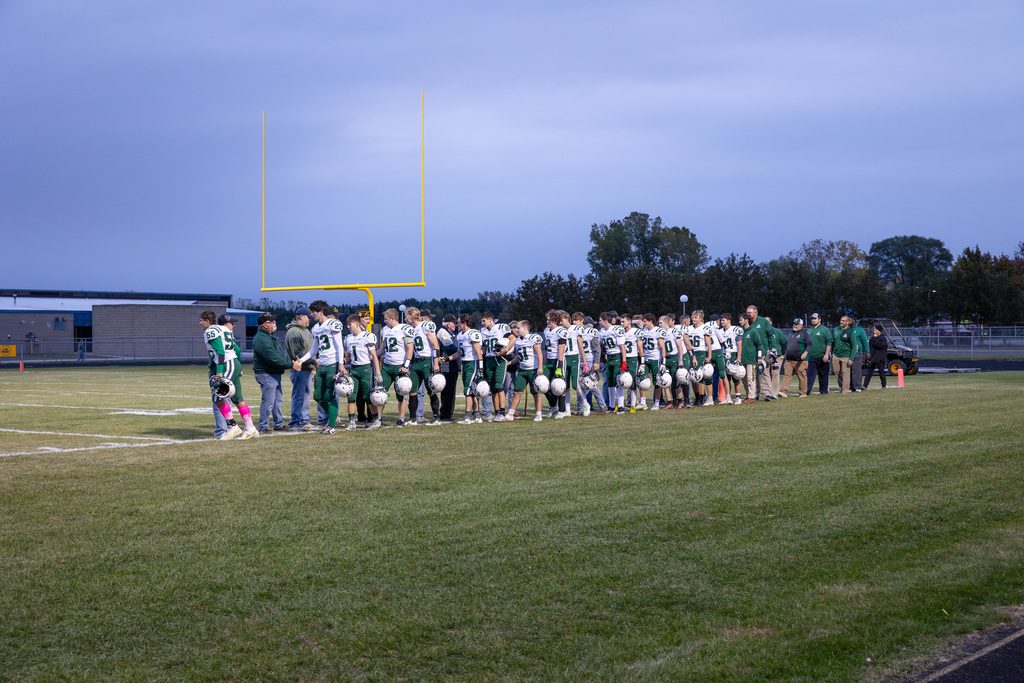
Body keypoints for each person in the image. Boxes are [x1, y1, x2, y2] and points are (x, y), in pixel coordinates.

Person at [200, 311, 258, 439]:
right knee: (237, 398)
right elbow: (236, 349)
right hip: (234, 363)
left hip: (226, 364)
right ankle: (251, 428)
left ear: (208, 321)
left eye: (201, 320)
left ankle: (233, 426)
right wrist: (239, 366)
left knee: (217, 398)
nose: (200, 323)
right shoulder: (224, 330)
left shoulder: (211, 331)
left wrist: (220, 371)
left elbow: (220, 351)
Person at [252, 312, 299, 433]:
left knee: (277, 401)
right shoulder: (261, 339)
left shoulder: (270, 336)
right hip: (266, 373)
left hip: (273, 372)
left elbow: (278, 356)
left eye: (274, 320)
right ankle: (263, 426)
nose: (274, 323)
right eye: (271, 321)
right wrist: (292, 364)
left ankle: (278, 424)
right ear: (264, 325)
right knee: (268, 402)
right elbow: (273, 357)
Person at [342, 313, 382, 430]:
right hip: (353, 369)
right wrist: (342, 363)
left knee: (367, 396)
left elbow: (374, 356)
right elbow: (349, 357)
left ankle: (376, 420)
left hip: (365, 369)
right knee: (351, 396)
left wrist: (378, 373)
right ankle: (352, 422)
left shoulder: (367, 336)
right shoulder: (348, 339)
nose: (348, 327)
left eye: (350, 325)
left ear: (357, 324)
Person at [378, 308, 415, 427]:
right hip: (387, 366)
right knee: (380, 393)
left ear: (393, 319)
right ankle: (378, 419)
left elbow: (410, 348)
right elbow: (383, 348)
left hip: (400, 366)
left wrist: (406, 365)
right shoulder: (384, 330)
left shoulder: (404, 329)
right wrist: (373, 356)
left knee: (402, 394)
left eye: (386, 319)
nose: (385, 321)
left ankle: (401, 419)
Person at [285, 307, 316, 430]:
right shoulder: (294, 332)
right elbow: (297, 353)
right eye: (308, 317)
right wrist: (314, 362)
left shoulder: (305, 330)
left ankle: (304, 420)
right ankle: (295, 422)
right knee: (299, 396)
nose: (310, 319)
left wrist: (312, 367)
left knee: (305, 396)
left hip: (307, 369)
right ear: (301, 316)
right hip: (299, 369)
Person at [508, 319, 545, 421]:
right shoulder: (518, 340)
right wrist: (509, 363)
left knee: (536, 393)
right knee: (517, 392)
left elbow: (539, 353)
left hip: (533, 370)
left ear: (525, 328)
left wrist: (540, 367)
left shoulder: (533, 338)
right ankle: (510, 413)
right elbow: (519, 357)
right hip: (522, 370)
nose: (517, 329)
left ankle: (538, 414)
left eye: (518, 327)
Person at [481, 311, 516, 422]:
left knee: (499, 387)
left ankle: (502, 412)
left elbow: (513, 339)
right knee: (493, 389)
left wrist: (506, 350)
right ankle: (496, 413)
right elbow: (484, 347)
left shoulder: (501, 327)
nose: (482, 323)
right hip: (489, 359)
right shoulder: (483, 331)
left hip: (500, 359)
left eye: (484, 320)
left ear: (490, 319)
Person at [456, 314, 485, 424]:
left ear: (464, 323)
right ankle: (477, 415)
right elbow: (459, 353)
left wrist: (481, 368)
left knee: (467, 391)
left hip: (473, 364)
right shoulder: (460, 335)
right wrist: (447, 359)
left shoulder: (473, 334)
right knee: (471, 391)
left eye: (459, 322)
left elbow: (478, 352)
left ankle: (467, 416)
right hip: (465, 363)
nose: (458, 324)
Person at [598, 312, 628, 414]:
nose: (599, 322)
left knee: (618, 382)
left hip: (617, 357)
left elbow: (622, 347)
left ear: (606, 320)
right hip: (609, 358)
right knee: (610, 383)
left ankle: (620, 406)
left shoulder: (617, 329)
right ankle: (611, 406)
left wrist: (624, 361)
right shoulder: (602, 331)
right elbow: (600, 345)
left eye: (600, 320)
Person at [579, 315, 607, 415]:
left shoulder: (592, 331)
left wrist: (596, 362)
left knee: (590, 384)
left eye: (576, 320)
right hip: (579, 360)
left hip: (589, 360)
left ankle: (603, 406)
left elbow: (597, 348)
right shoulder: (574, 331)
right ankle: (580, 408)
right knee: (579, 385)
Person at [436, 314, 461, 422]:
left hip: (451, 365)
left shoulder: (449, 333)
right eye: (453, 323)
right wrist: (460, 352)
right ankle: (445, 414)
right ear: (448, 324)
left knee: (450, 391)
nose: (455, 325)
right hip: (447, 366)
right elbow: (449, 348)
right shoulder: (443, 332)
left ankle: (447, 413)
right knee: (448, 391)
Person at [779, 318, 809, 398]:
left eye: (797, 324)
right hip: (789, 359)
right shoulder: (790, 333)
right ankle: (783, 391)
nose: (795, 325)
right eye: (794, 324)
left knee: (802, 376)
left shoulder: (805, 334)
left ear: (801, 325)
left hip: (800, 360)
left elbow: (809, 344)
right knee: (787, 375)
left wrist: (805, 353)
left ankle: (803, 393)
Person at [738, 313, 765, 404]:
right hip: (742, 360)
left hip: (751, 359)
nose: (739, 321)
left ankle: (751, 397)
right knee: (744, 379)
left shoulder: (753, 331)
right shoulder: (740, 331)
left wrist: (759, 357)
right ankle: (748, 395)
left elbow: (759, 344)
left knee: (751, 378)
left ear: (746, 320)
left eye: (741, 319)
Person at [718, 313, 744, 405]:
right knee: (725, 378)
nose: (721, 322)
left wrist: (738, 358)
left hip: (733, 354)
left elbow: (739, 345)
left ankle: (738, 397)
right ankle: (727, 397)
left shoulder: (735, 330)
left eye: (723, 320)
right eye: (721, 320)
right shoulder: (720, 331)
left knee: (736, 377)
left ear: (729, 321)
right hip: (724, 355)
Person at [805, 313, 833, 396]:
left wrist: (826, 354)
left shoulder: (825, 330)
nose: (813, 320)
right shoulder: (809, 330)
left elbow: (829, 343)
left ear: (819, 319)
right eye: (812, 318)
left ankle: (824, 390)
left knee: (823, 374)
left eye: (815, 318)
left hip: (822, 355)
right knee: (810, 375)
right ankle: (807, 391)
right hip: (811, 356)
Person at [763, 316, 787, 400]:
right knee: (765, 374)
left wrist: (783, 354)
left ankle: (774, 393)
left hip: (776, 356)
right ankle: (767, 393)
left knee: (775, 374)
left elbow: (784, 342)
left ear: (771, 323)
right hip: (765, 355)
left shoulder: (777, 331)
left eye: (766, 321)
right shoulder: (761, 332)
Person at [831, 316, 856, 394]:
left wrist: (851, 358)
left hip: (846, 355)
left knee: (845, 372)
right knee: (836, 371)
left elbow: (854, 346)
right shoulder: (836, 329)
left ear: (848, 322)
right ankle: (842, 386)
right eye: (841, 320)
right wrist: (832, 353)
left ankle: (845, 389)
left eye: (844, 321)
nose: (841, 322)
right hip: (836, 354)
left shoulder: (851, 332)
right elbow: (832, 342)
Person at [863, 325, 888, 389]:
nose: (874, 331)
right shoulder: (872, 338)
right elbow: (870, 346)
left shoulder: (883, 338)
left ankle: (883, 385)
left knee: (881, 372)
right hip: (873, 357)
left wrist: (876, 339)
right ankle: (865, 385)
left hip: (880, 358)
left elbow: (879, 346)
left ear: (879, 331)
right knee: (869, 372)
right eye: (874, 330)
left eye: (876, 330)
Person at [850, 318, 869, 393]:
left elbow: (865, 342)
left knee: (856, 371)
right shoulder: (846, 329)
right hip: (848, 353)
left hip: (857, 353)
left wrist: (868, 352)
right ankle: (850, 386)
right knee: (849, 371)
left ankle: (857, 386)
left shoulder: (859, 330)